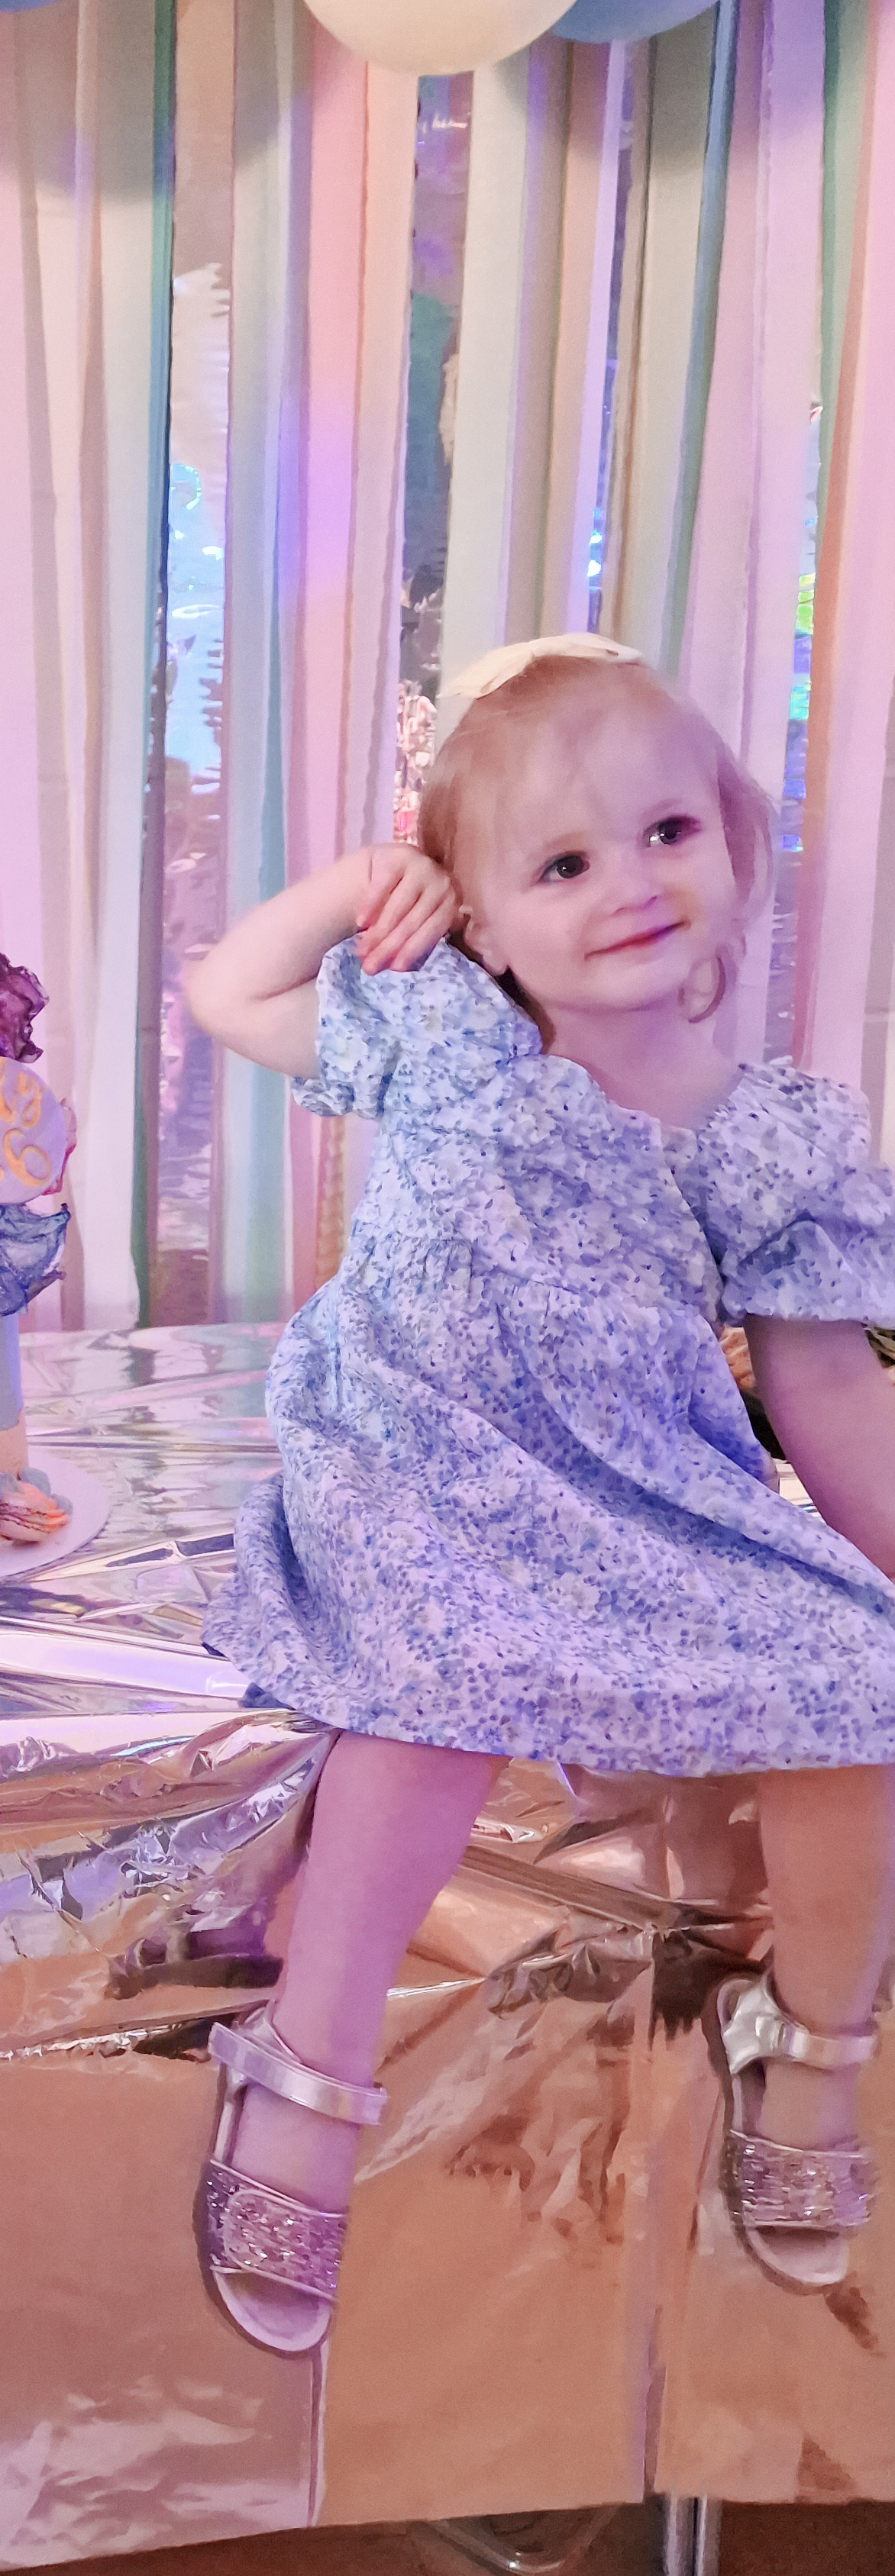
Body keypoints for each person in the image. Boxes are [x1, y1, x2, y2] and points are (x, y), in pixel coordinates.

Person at [188, 635, 895, 2358]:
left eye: (667, 832)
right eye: (560, 864)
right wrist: (369, 882)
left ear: (733, 844)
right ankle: (307, 2063)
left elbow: (821, 1394)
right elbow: (222, 990)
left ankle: (812, 2041)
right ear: (480, 920)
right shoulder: (437, 1029)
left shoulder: (770, 1133)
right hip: (415, 1450)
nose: (629, 883)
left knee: (866, 1689)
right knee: (428, 1685)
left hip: (635, 1485)